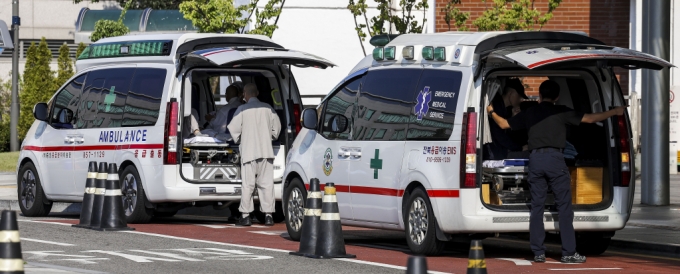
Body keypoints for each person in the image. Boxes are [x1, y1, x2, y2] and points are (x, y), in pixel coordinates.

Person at [487, 80, 625, 264]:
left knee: (537, 207)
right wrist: (614, 112)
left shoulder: (530, 113)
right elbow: (591, 119)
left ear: (540, 96)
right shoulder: (562, 111)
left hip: (535, 160)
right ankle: (568, 253)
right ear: (557, 97)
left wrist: (490, 111)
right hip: (555, 160)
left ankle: (538, 252)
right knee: (564, 208)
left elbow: (504, 124)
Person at [227, 83, 281, 226]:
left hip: (249, 152)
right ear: (257, 92)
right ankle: (268, 215)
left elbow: (233, 129)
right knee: (267, 184)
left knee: (248, 185)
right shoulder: (268, 109)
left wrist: (240, 139)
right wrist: (270, 136)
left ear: (244, 94)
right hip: (265, 151)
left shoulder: (241, 110)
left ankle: (245, 216)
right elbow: (277, 130)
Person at [486, 78, 528, 160]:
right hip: (496, 153)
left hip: (502, 151)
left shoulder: (508, 110)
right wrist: (520, 148)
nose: (520, 100)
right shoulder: (496, 108)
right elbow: (499, 135)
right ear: (511, 94)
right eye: (519, 96)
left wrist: (513, 118)